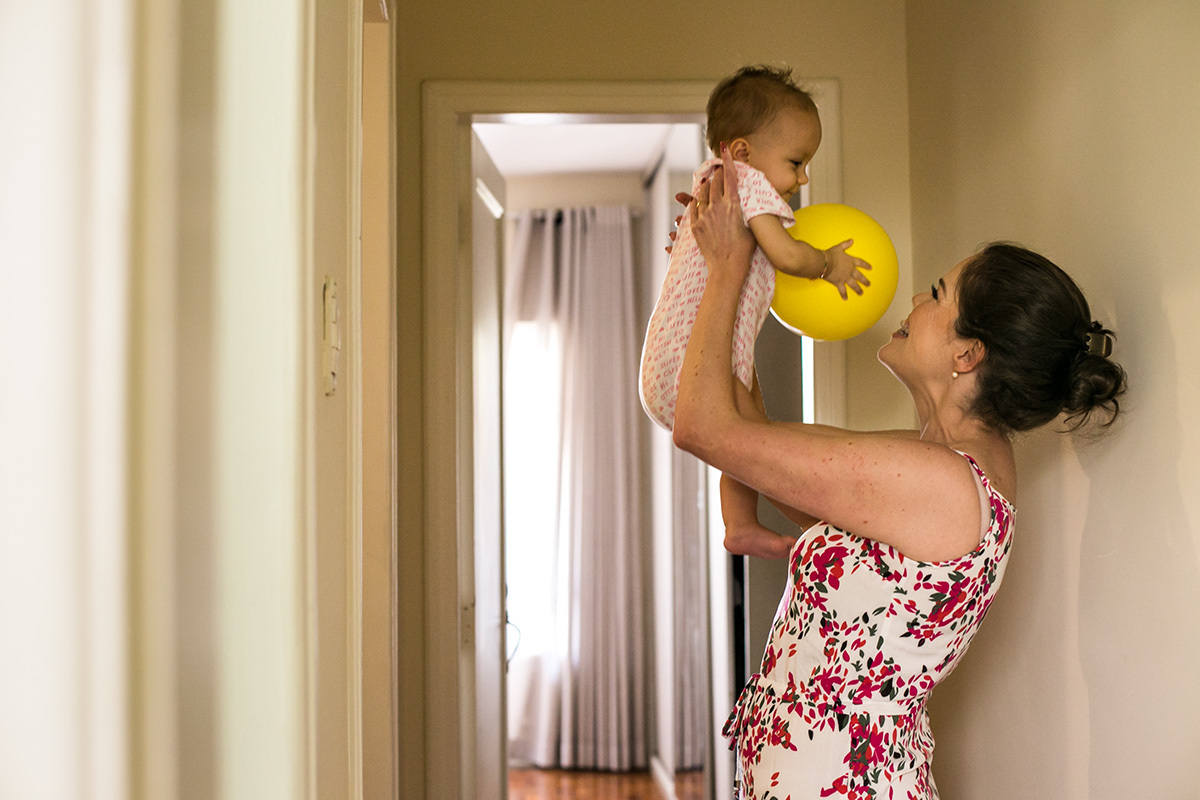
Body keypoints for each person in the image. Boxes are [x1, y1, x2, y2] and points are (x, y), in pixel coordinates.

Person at [673, 146, 1126, 799]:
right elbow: (755, 446)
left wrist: (725, 269)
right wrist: (731, 284)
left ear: (967, 354)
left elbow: (702, 429)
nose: (917, 298)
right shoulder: (937, 466)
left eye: (937, 294)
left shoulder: (940, 483)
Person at [640, 65, 871, 560]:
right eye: (796, 161)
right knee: (756, 443)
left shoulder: (712, 184)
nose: (802, 178)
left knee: (747, 444)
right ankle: (804, 527)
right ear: (743, 152)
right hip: (695, 361)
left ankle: (740, 524)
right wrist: (829, 264)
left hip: (669, 360)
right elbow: (785, 255)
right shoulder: (746, 183)